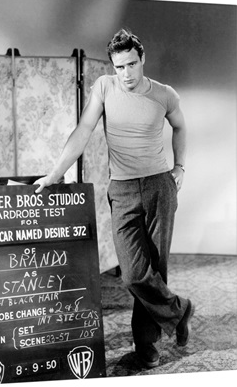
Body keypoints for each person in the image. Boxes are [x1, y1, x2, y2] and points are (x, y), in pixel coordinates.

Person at [34, 28, 195, 368]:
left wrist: (180, 166)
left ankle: (147, 350)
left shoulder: (165, 94)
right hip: (121, 189)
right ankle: (180, 310)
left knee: (156, 268)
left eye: (132, 65)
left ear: (143, 59)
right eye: (119, 67)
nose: (126, 74)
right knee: (134, 274)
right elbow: (83, 130)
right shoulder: (104, 88)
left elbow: (180, 126)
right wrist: (54, 172)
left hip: (158, 187)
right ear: (112, 66)